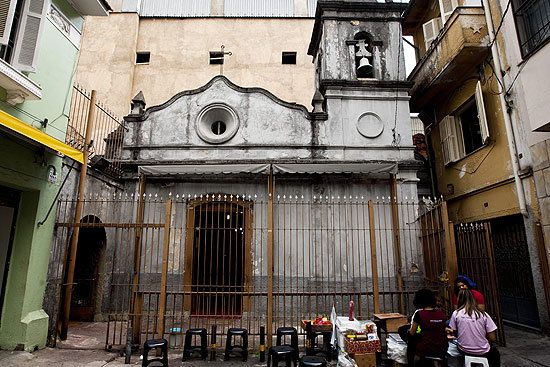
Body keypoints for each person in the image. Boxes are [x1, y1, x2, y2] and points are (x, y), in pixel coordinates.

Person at [448, 289, 500, 367]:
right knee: (495, 354)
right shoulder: (483, 314)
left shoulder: (456, 314)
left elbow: (455, 332)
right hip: (483, 349)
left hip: (464, 349)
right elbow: (492, 338)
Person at [407, 289, 448, 366]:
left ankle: (410, 363)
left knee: (410, 340)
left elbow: (412, 332)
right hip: (442, 347)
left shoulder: (419, 314)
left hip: (426, 348)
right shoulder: (441, 313)